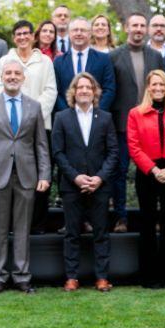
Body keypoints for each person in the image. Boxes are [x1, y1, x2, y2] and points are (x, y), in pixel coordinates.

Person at [0, 58, 51, 294]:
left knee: (22, 229)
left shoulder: (34, 106)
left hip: (27, 175)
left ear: (23, 78)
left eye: (17, 73)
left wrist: (45, 174)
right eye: (8, 73)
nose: (12, 77)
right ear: (1, 77)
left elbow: (41, 144)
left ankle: (21, 276)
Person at [51, 72, 117, 292]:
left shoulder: (105, 118)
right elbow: (58, 153)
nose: (84, 91)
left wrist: (99, 177)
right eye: (80, 87)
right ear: (73, 92)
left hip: (99, 186)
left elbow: (113, 152)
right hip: (72, 186)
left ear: (94, 92)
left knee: (101, 233)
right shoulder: (62, 117)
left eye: (88, 87)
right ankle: (72, 277)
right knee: (72, 234)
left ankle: (102, 277)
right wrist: (75, 177)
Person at [127, 69, 165, 288]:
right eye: (154, 84)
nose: (158, 88)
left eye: (162, 85)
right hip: (147, 172)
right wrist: (153, 170)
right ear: (148, 87)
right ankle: (149, 277)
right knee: (148, 222)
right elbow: (133, 146)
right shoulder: (135, 113)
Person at [0, 20, 57, 232]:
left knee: (40, 175)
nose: (22, 37)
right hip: (11, 129)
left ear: (32, 36)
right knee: (14, 175)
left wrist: (32, 116)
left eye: (26, 33)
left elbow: (50, 91)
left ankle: (37, 224)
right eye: (18, 34)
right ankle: (14, 224)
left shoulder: (45, 61)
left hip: (40, 126)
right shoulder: (5, 60)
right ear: (14, 38)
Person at [109, 13, 165, 233]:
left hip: (151, 124)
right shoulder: (114, 56)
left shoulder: (155, 56)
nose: (139, 29)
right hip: (121, 123)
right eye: (135, 25)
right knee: (120, 173)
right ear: (126, 28)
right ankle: (121, 218)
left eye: (142, 25)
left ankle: (154, 217)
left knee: (154, 172)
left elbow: (161, 89)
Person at [53, 17, 116, 115]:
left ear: (90, 34)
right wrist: (68, 115)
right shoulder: (58, 61)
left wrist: (95, 113)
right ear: (69, 33)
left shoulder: (104, 59)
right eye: (75, 30)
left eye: (83, 30)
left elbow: (109, 89)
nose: (79, 33)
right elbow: (56, 92)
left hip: (97, 116)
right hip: (66, 117)